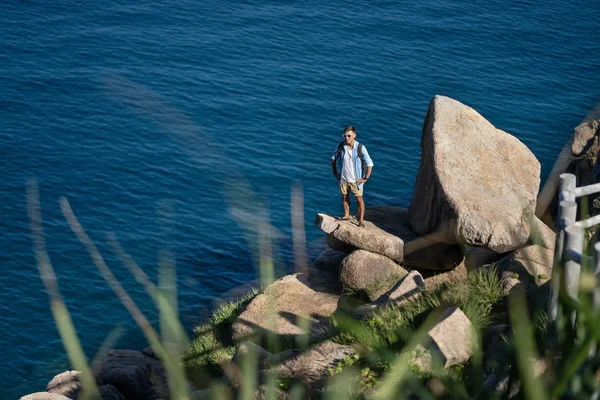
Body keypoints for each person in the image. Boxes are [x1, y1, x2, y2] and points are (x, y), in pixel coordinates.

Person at [331, 126, 374, 227]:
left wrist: (365, 178)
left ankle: (361, 220)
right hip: (344, 178)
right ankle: (346, 215)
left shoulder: (360, 148)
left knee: (359, 199)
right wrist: (335, 172)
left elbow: (370, 164)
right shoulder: (341, 146)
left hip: (356, 180)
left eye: (349, 136)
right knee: (345, 196)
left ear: (354, 135)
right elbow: (333, 158)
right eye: (344, 136)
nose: (346, 138)